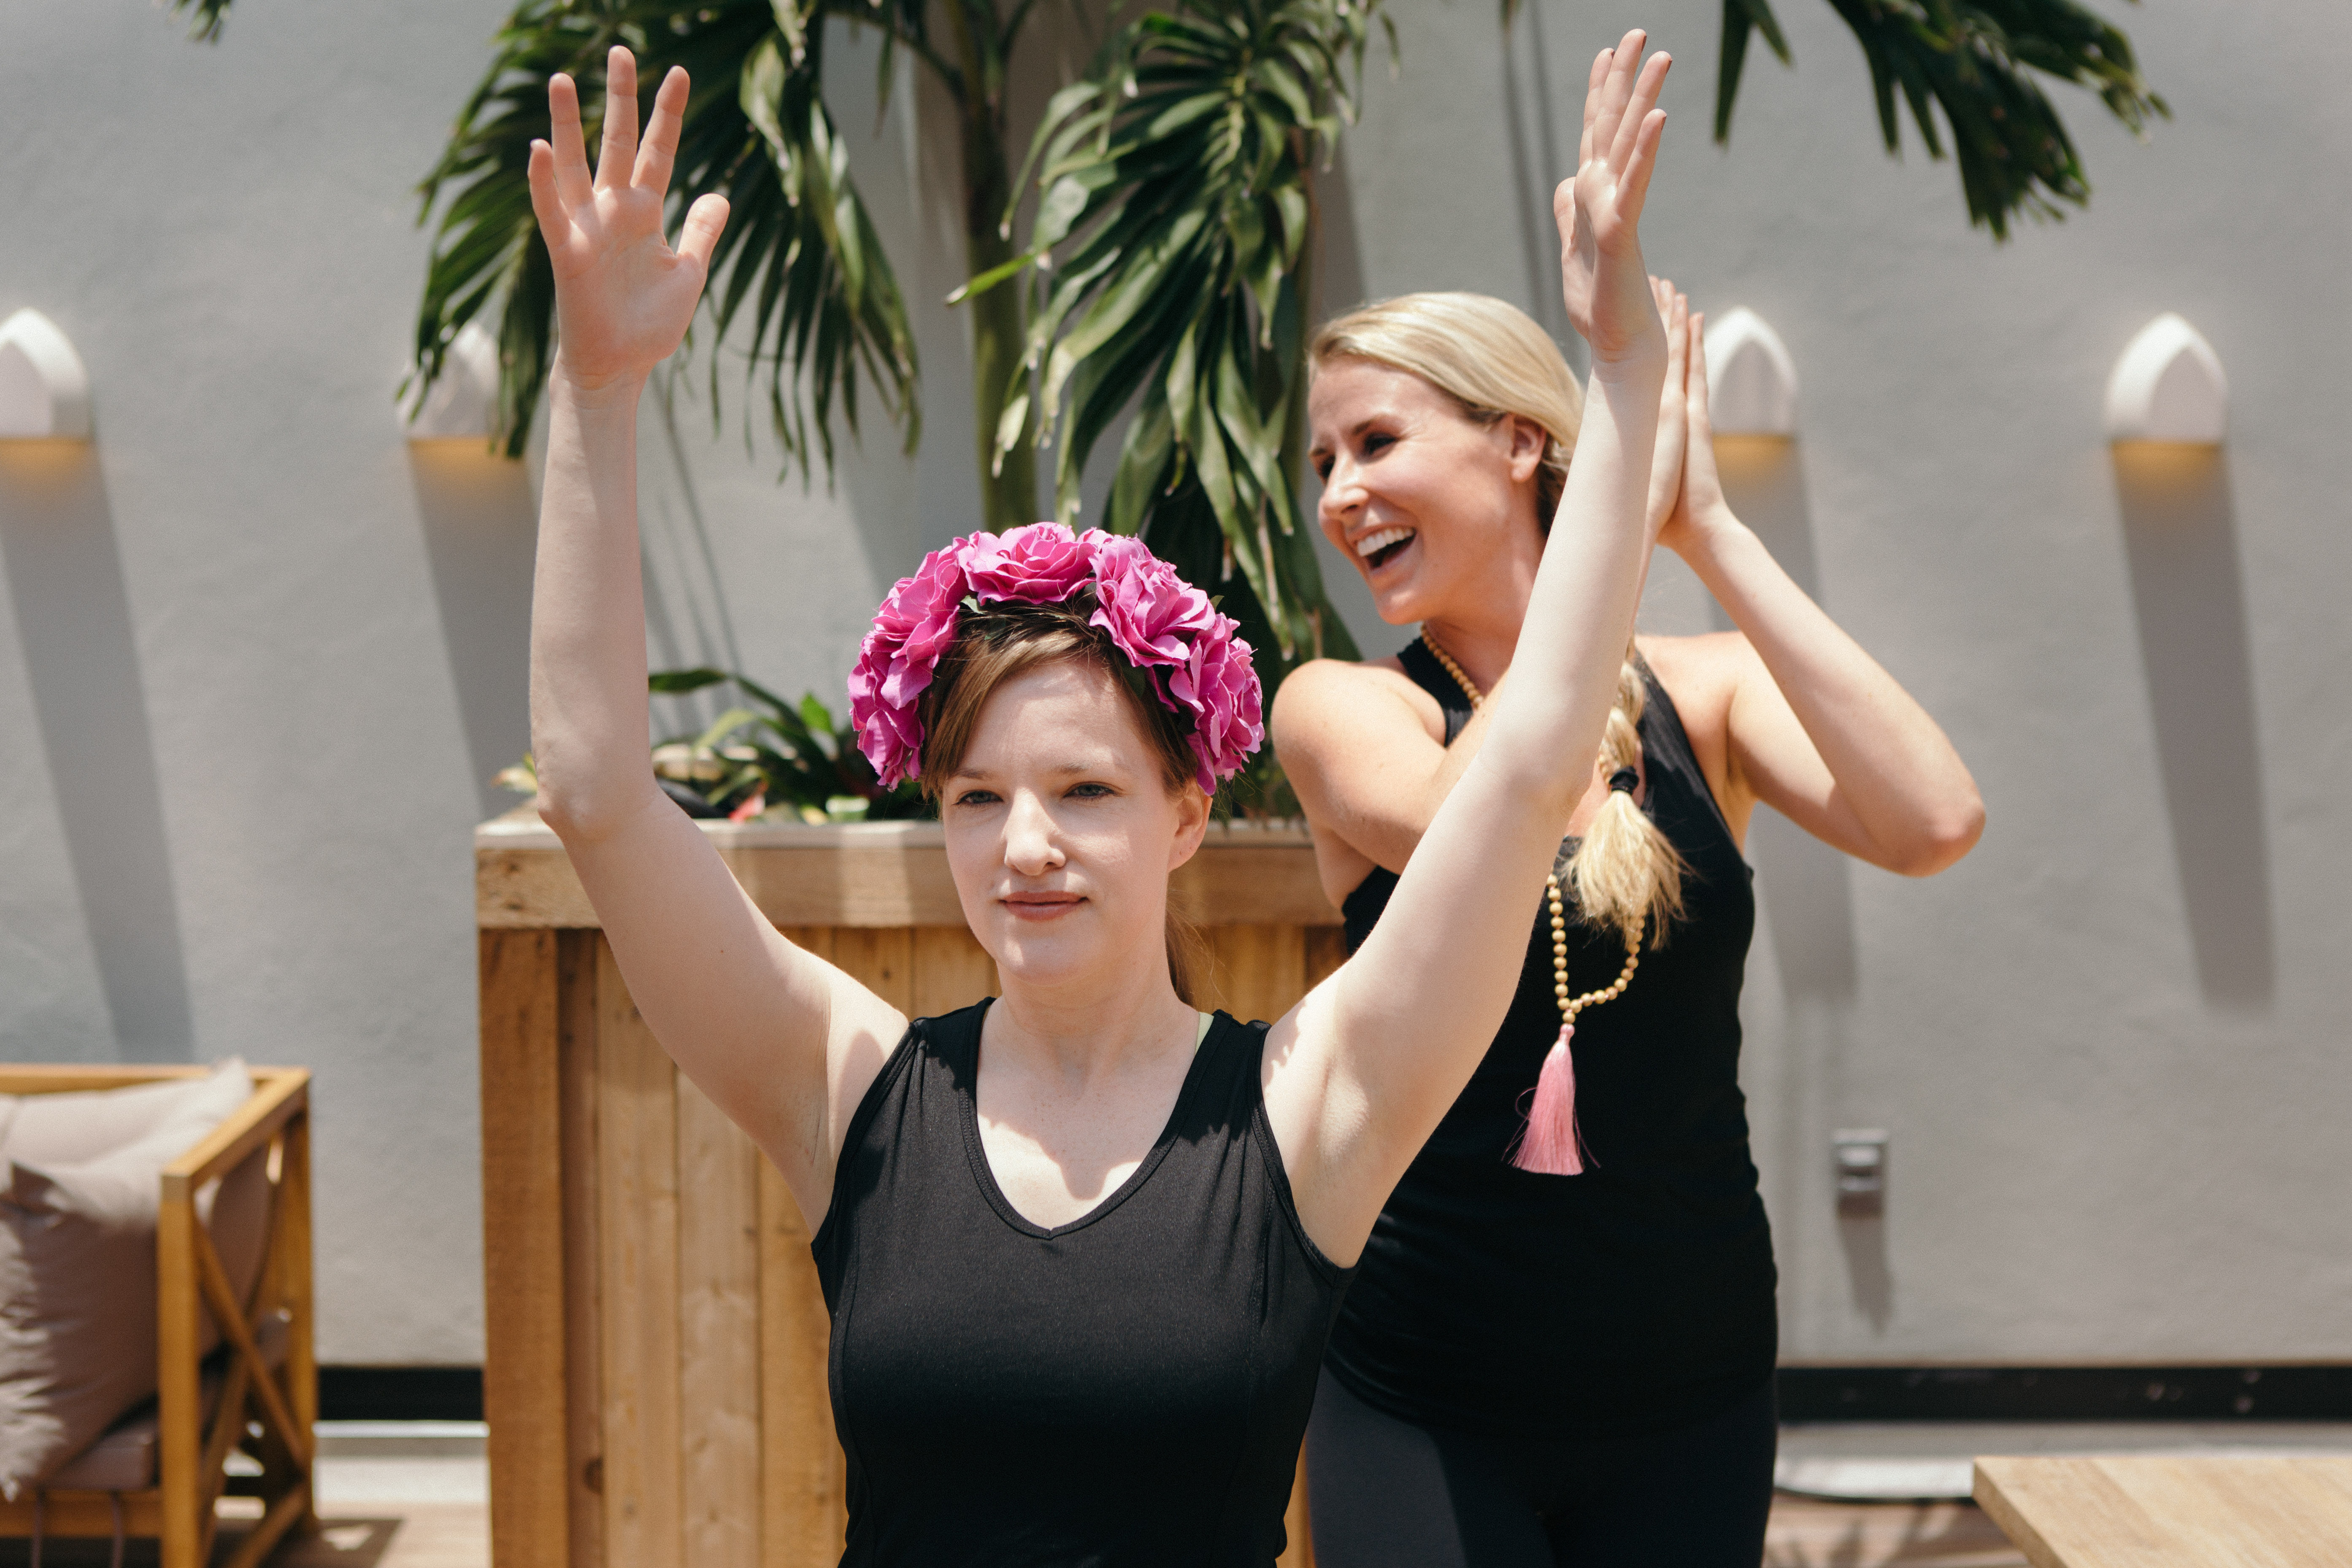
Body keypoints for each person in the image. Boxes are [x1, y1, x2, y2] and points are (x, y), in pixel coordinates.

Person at [524, 32, 1681, 1568]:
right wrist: (596, 384)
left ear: (1189, 808)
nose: (1027, 845)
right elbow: (599, 790)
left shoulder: (1308, 1109)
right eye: (976, 797)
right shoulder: (847, 1084)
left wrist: (1621, 373)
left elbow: (1533, 756)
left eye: (1084, 788)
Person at [1272, 102, 1986, 1568]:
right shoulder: (1343, 709)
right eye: (1324, 456)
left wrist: (1704, 525)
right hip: (1423, 1396)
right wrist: (1620, 410)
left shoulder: (1706, 692)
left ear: (1519, 444)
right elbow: (1500, 815)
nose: (1339, 494)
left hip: (1692, 1386)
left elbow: (1934, 818)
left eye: (1378, 440)